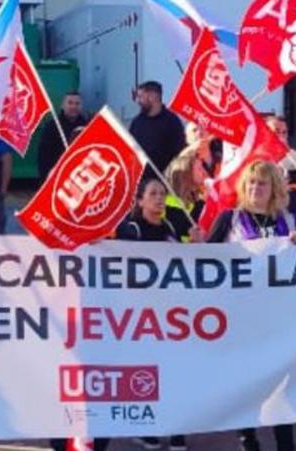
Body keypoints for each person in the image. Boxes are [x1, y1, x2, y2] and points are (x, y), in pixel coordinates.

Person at [206, 161, 296, 450]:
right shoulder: (230, 219)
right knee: (247, 381)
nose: (255, 188)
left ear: (274, 188)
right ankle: (247, 438)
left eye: (262, 183)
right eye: (250, 182)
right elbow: (201, 263)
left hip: (279, 317)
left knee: (281, 386)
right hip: (241, 316)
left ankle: (285, 444)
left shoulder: (288, 221)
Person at [112, 175, 188, 451]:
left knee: (173, 372)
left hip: (171, 313)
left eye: (162, 194)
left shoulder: (171, 226)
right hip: (140, 315)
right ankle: (149, 429)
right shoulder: (131, 229)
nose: (159, 198)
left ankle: (177, 430)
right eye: (153, 194)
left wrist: (197, 246)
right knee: (147, 374)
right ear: (141, 200)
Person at [129, 81, 186, 176]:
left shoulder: (172, 121)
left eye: (140, 97)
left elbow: (180, 152)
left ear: (152, 96)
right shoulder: (136, 123)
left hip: (166, 181)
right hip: (142, 181)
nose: (138, 101)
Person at [37, 91, 89, 177]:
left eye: (77, 103)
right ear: (63, 106)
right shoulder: (52, 126)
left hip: (79, 175)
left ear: (81, 106)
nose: (74, 106)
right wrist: (46, 175)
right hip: (57, 174)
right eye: (70, 103)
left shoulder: (87, 126)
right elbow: (43, 155)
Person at [162, 147, 206, 242]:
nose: (204, 172)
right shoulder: (161, 205)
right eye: (199, 168)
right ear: (186, 172)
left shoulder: (202, 204)